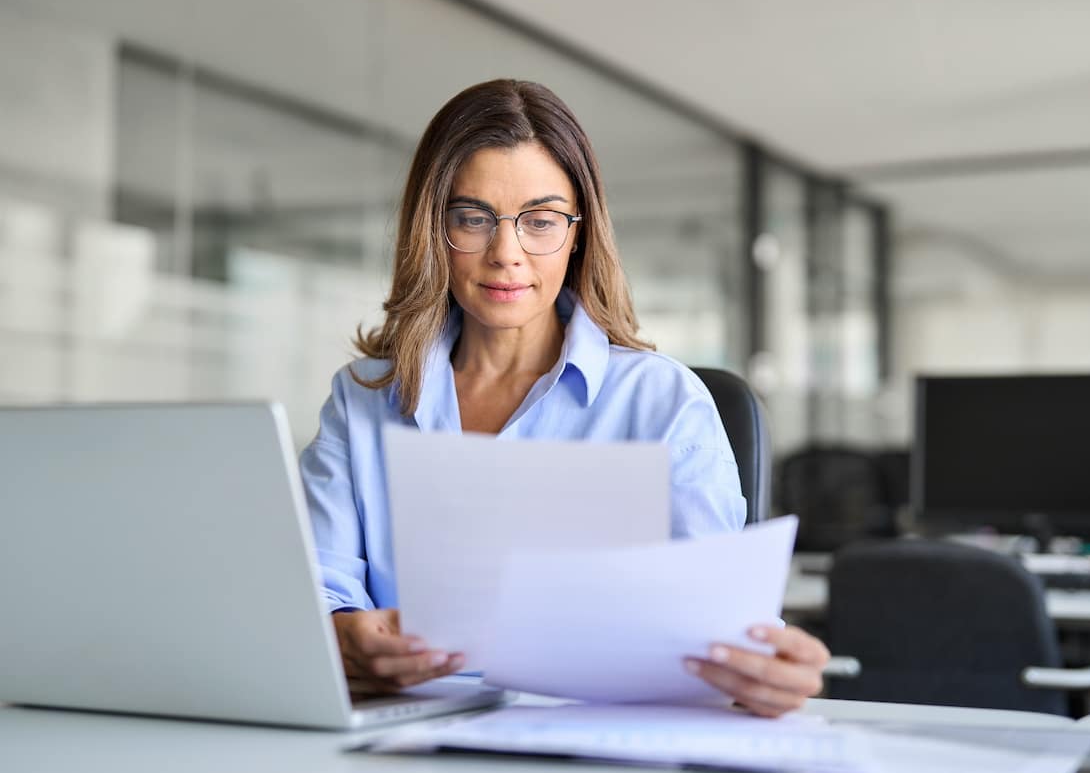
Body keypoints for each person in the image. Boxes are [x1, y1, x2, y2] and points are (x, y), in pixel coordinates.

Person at [299, 79, 829, 718]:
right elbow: (316, 600)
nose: (506, 255)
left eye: (541, 222)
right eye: (471, 218)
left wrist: (764, 674)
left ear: (579, 232)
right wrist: (339, 640)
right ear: (431, 229)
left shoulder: (663, 403)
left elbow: (725, 637)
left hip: (607, 742)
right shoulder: (362, 399)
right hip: (406, 741)